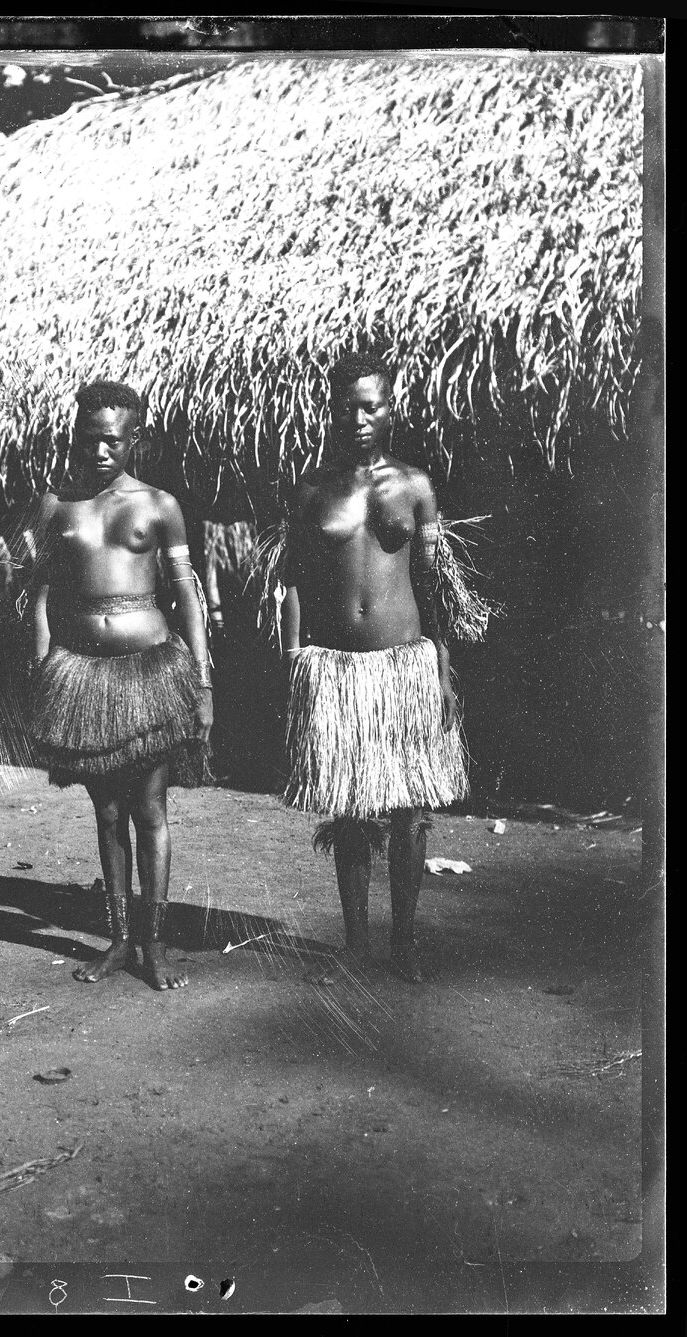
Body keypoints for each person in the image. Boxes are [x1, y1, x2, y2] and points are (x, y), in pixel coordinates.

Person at [280, 353, 469, 983]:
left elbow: (436, 583)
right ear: (330, 408)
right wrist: (294, 656)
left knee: (410, 811)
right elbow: (296, 581)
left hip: (403, 666)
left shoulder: (415, 486)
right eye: (346, 406)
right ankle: (356, 946)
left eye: (371, 406)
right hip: (335, 670)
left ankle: (404, 945)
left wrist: (442, 662)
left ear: (390, 408)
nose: (358, 418)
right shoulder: (312, 491)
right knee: (351, 809)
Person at [20, 380, 213, 991]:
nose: (101, 452)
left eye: (113, 441)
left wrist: (202, 682)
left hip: (151, 670)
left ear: (135, 440)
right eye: (90, 440)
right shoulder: (56, 507)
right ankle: (119, 938)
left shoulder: (160, 505)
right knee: (106, 812)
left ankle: (153, 945)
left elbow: (186, 594)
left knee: (149, 808)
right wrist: (45, 664)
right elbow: (43, 592)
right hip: (83, 676)